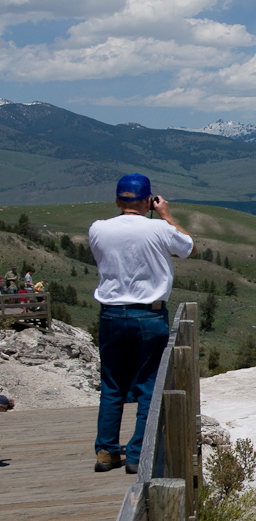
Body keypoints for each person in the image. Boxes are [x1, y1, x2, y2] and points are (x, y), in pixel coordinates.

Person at [89, 174, 196, 474]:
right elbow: (189, 248)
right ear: (149, 201)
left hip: (111, 313)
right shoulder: (159, 228)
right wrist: (166, 215)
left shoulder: (98, 229)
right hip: (149, 314)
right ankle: (138, 453)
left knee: (111, 385)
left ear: (116, 200)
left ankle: (106, 451)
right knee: (149, 385)